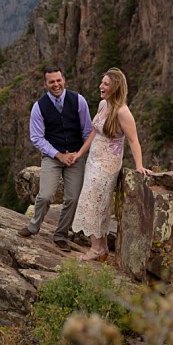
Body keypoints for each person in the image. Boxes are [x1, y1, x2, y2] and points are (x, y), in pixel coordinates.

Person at [71, 67, 150, 262]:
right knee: (97, 204)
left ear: (115, 87)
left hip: (107, 165)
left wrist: (139, 165)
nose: (101, 86)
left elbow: (133, 141)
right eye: (102, 82)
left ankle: (96, 249)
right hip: (93, 161)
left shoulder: (123, 112)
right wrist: (80, 153)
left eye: (106, 84)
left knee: (92, 203)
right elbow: (94, 131)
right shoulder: (102, 105)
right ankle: (102, 247)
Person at [19, 65, 93, 249]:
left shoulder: (78, 101)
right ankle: (33, 226)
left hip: (76, 155)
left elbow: (88, 130)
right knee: (45, 196)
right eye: (51, 81)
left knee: (73, 198)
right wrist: (58, 155)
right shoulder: (39, 107)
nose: (56, 84)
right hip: (52, 157)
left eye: (58, 80)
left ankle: (61, 234)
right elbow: (36, 138)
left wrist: (80, 154)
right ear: (45, 84)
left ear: (64, 80)